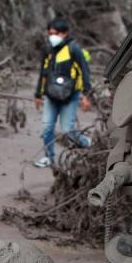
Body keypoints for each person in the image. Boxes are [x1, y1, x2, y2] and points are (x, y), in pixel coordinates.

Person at [33, 18, 93, 168]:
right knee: (47, 128)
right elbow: (43, 73)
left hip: (70, 96)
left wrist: (86, 95)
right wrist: (38, 94)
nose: (52, 36)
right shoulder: (48, 50)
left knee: (67, 130)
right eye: (50, 33)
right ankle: (49, 157)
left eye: (56, 33)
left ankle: (88, 144)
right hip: (51, 95)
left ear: (65, 33)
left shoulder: (74, 49)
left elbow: (84, 72)